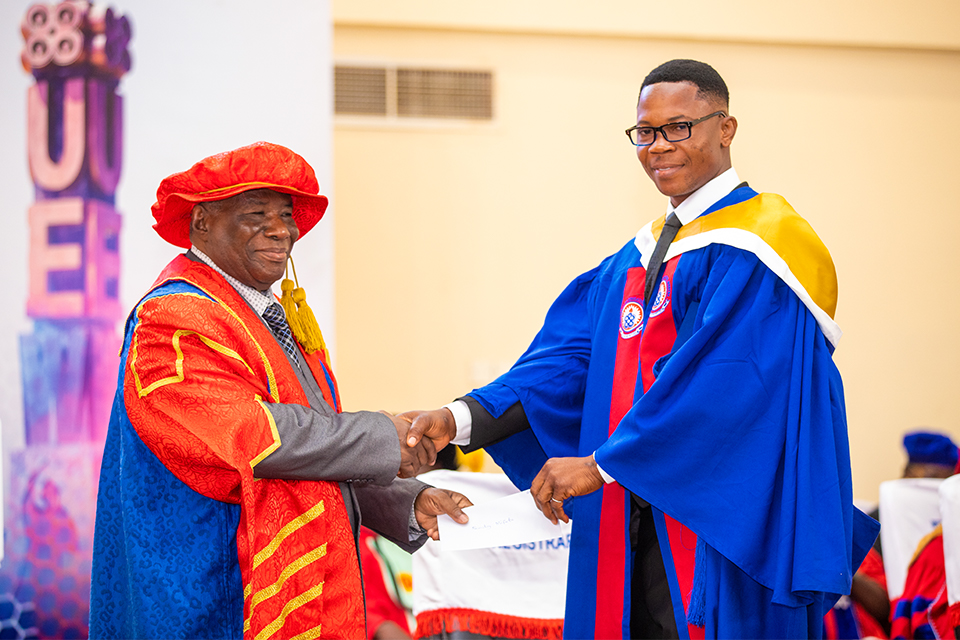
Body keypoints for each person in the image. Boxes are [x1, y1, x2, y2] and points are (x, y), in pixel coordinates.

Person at [403, 59, 878, 638]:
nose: (659, 146)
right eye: (646, 132)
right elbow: (568, 363)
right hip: (626, 530)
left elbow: (725, 385)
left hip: (718, 531)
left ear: (725, 128)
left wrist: (600, 465)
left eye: (679, 127)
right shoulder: (635, 258)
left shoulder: (764, 249)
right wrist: (457, 419)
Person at [89, 142, 470, 639]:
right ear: (202, 221)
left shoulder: (269, 316)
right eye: (256, 214)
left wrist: (405, 503)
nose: (281, 230)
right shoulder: (173, 317)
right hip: (213, 591)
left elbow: (317, 455)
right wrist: (383, 436)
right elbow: (257, 437)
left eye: (286, 215)